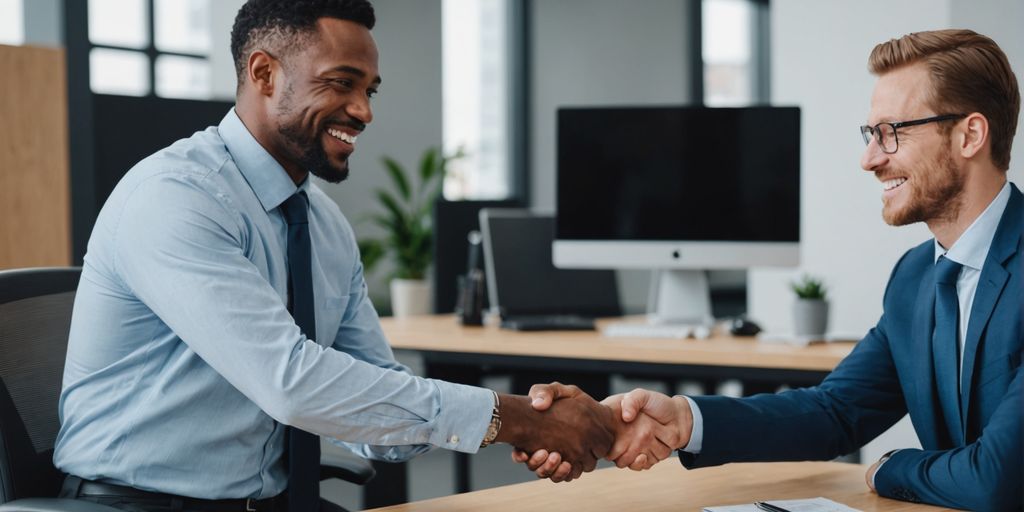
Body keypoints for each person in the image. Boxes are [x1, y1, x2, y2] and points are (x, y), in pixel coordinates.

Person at [52, 1, 671, 510]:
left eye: (369, 89)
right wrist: (521, 420)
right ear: (264, 74)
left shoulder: (322, 224)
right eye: (341, 83)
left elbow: (378, 410)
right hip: (133, 503)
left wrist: (525, 423)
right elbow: (294, 384)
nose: (364, 111)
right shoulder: (176, 198)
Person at [518, 29, 1023, 510]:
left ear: (970, 135)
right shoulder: (915, 279)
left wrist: (892, 467)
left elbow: (997, 480)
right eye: (871, 133)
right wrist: (682, 420)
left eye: (892, 133)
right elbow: (834, 411)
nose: (869, 159)